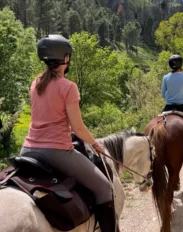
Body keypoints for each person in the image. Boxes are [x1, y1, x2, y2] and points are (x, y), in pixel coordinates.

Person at [20, 34, 116, 232]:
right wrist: (96, 145)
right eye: (68, 56)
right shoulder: (68, 87)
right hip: (57, 151)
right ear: (64, 58)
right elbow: (78, 128)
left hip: (28, 149)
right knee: (105, 187)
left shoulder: (36, 82)